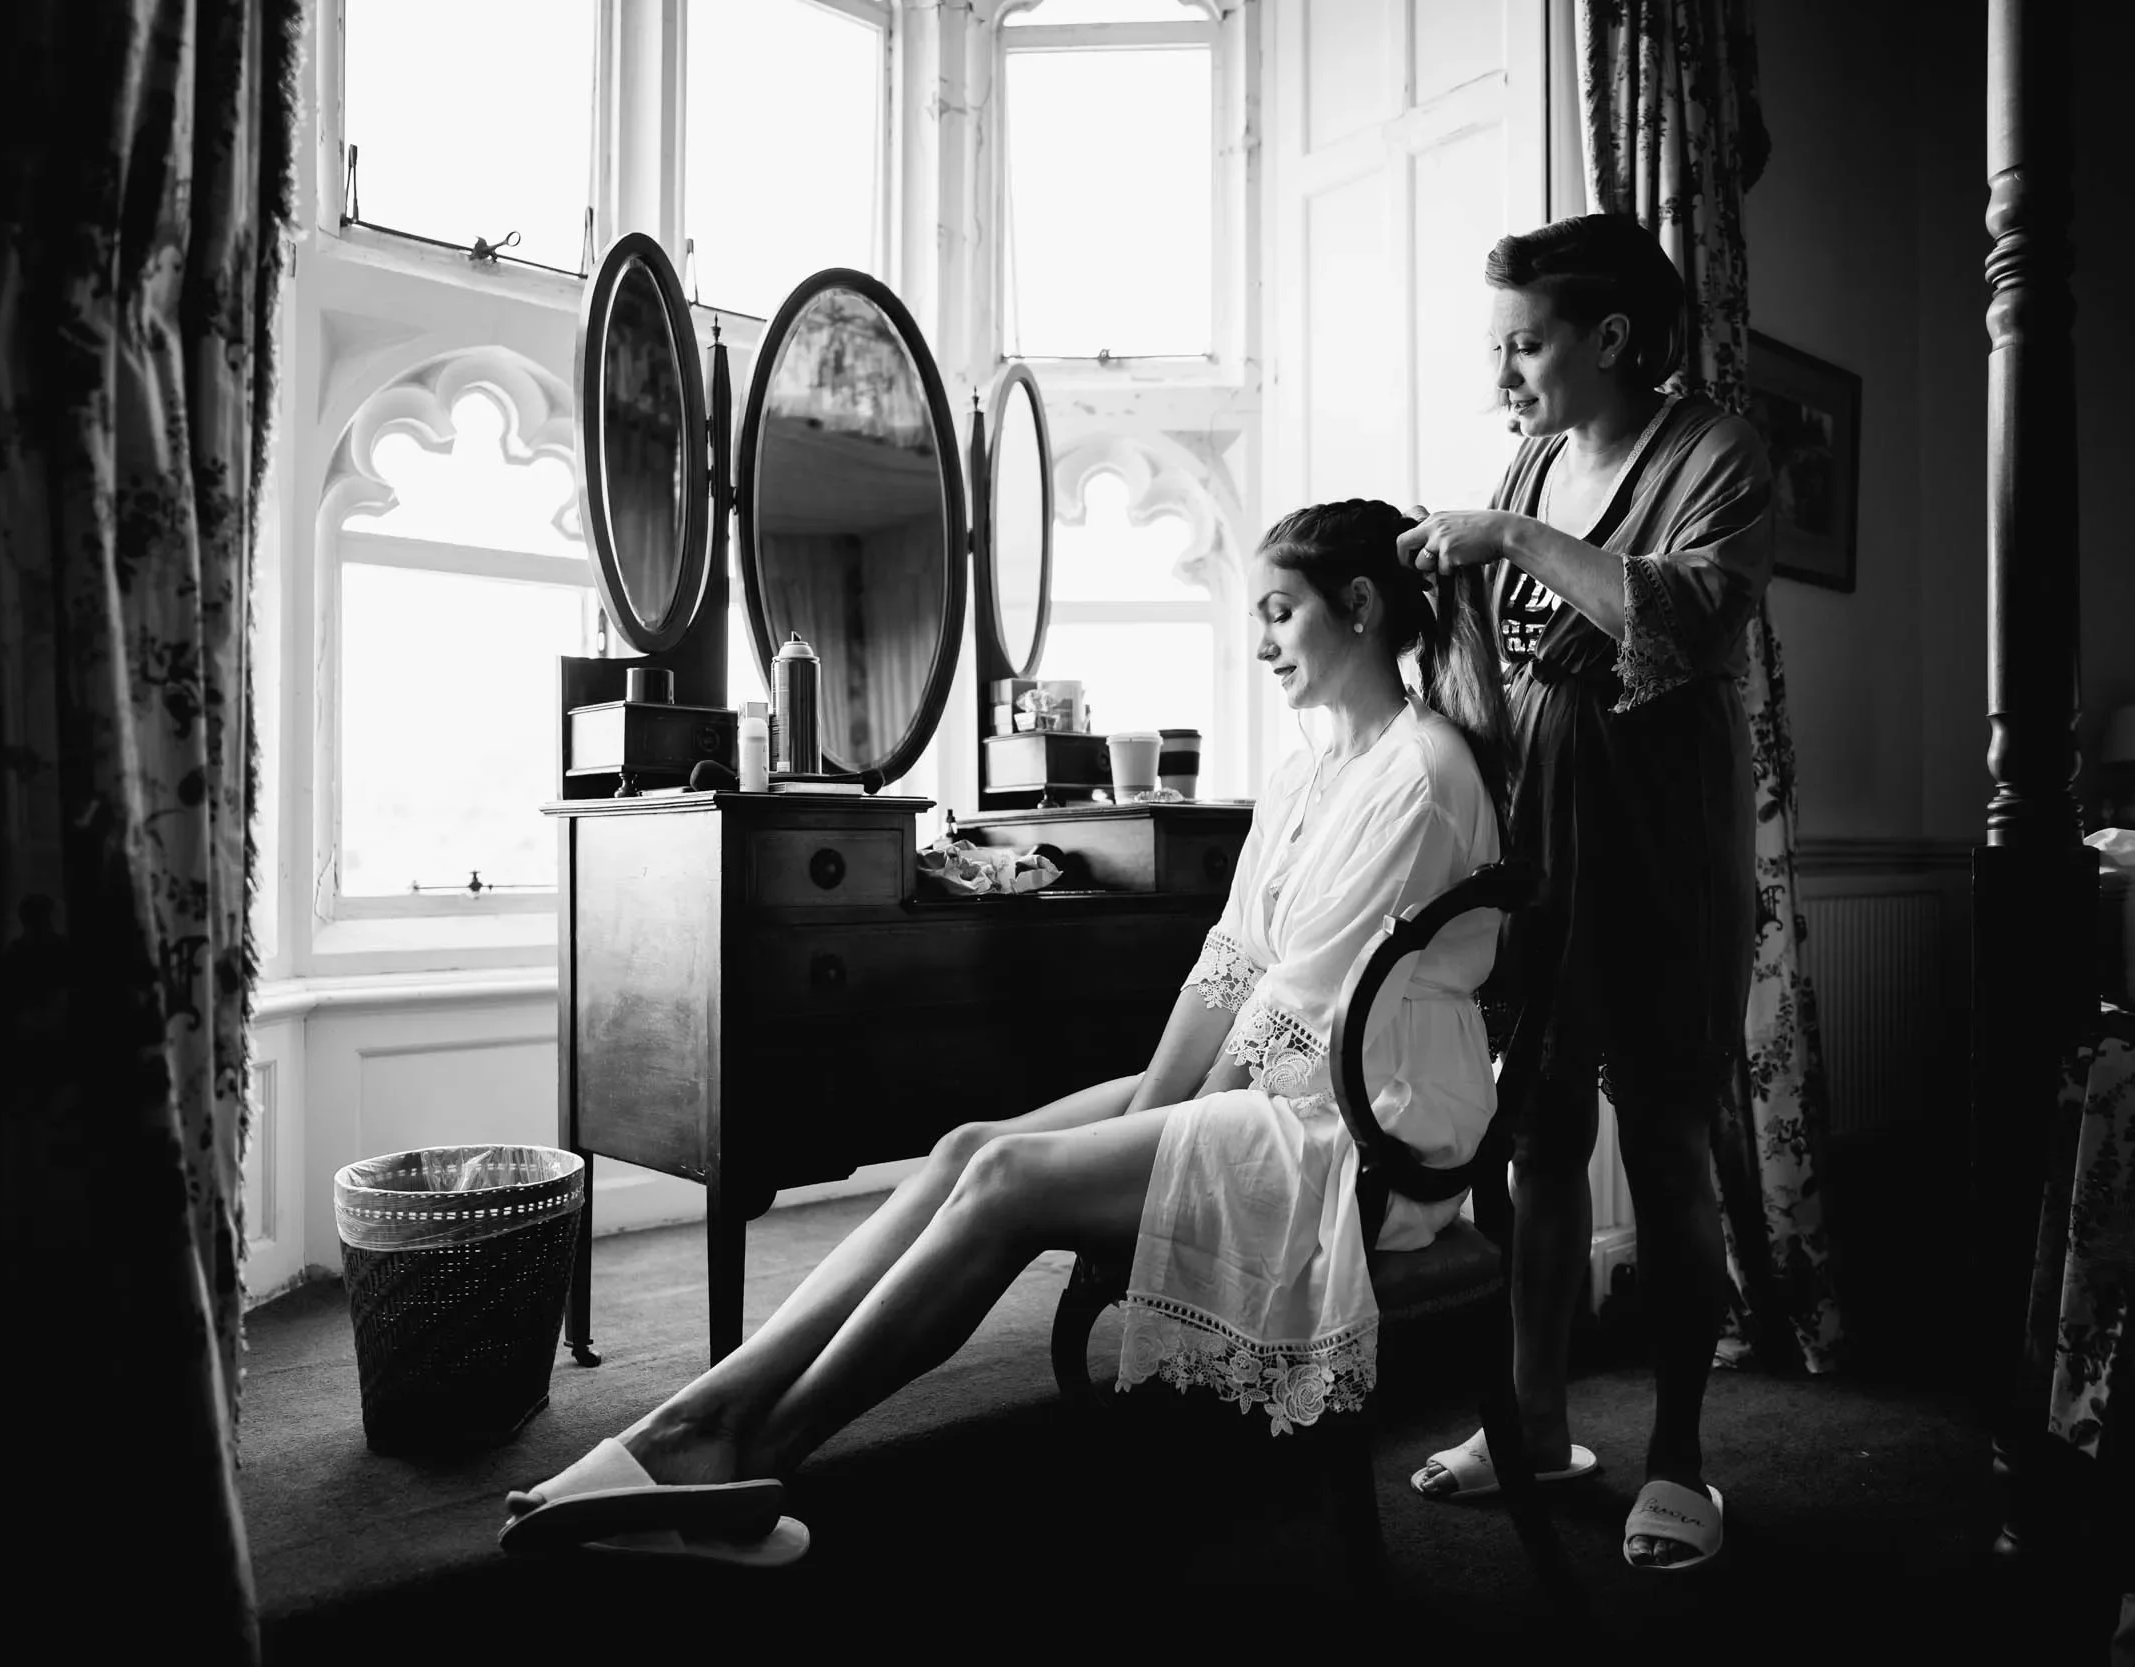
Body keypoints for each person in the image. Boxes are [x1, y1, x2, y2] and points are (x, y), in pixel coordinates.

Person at [500, 500, 1513, 1566]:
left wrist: (1152, 1137)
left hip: (1369, 1135)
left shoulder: (1421, 773)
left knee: (1007, 1183)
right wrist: (1153, 1113)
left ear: (1356, 606)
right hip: (1285, 1093)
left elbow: (1291, 1016)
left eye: (1278, 612)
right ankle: (693, 1422)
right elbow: (1230, 964)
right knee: (967, 1149)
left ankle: (750, 1457)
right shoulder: (1312, 768)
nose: (1258, 643)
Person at [1396, 215, 1774, 1573]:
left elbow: (1685, 619)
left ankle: (1680, 1453)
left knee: (1666, 1139)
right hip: (1547, 840)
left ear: (1611, 338)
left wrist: (1506, 530)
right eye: (1501, 345)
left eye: (1525, 343)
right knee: (1541, 1139)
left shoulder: (1716, 452)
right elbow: (1504, 657)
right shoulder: (1537, 456)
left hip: (1665, 844)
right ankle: (1533, 1424)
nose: (1504, 373)